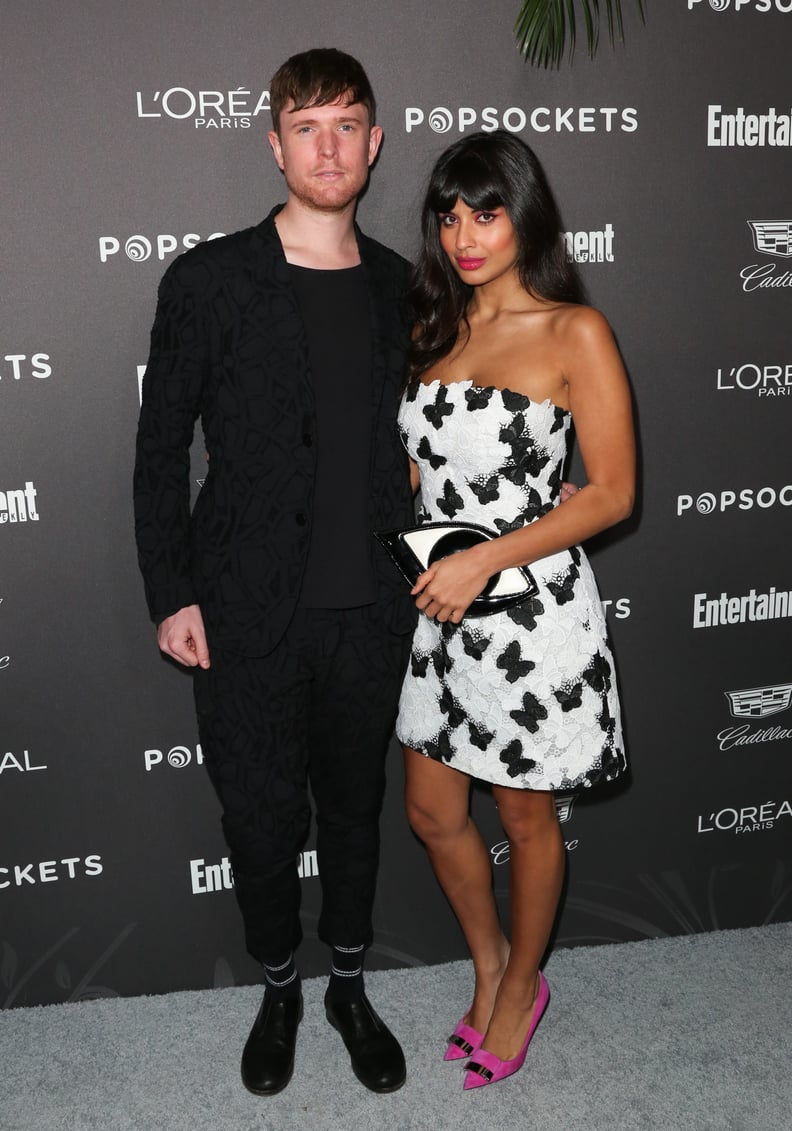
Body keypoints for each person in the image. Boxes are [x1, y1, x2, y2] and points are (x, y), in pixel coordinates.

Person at [133, 48, 416, 1097]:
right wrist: (173, 592)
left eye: (348, 124)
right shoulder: (208, 282)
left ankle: (349, 983)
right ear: (274, 143)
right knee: (258, 821)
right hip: (245, 620)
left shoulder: (403, 288)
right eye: (307, 126)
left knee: (353, 813)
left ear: (375, 142)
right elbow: (161, 448)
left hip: (371, 616)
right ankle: (283, 987)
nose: (329, 145)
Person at [396, 131, 635, 1091]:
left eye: (485, 211)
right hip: (440, 614)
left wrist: (485, 558)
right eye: (449, 215)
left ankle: (523, 981)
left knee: (528, 819)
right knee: (429, 808)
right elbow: (427, 477)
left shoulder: (574, 331)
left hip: (529, 616)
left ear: (524, 212)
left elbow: (612, 491)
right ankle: (490, 958)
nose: (464, 233)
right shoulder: (435, 329)